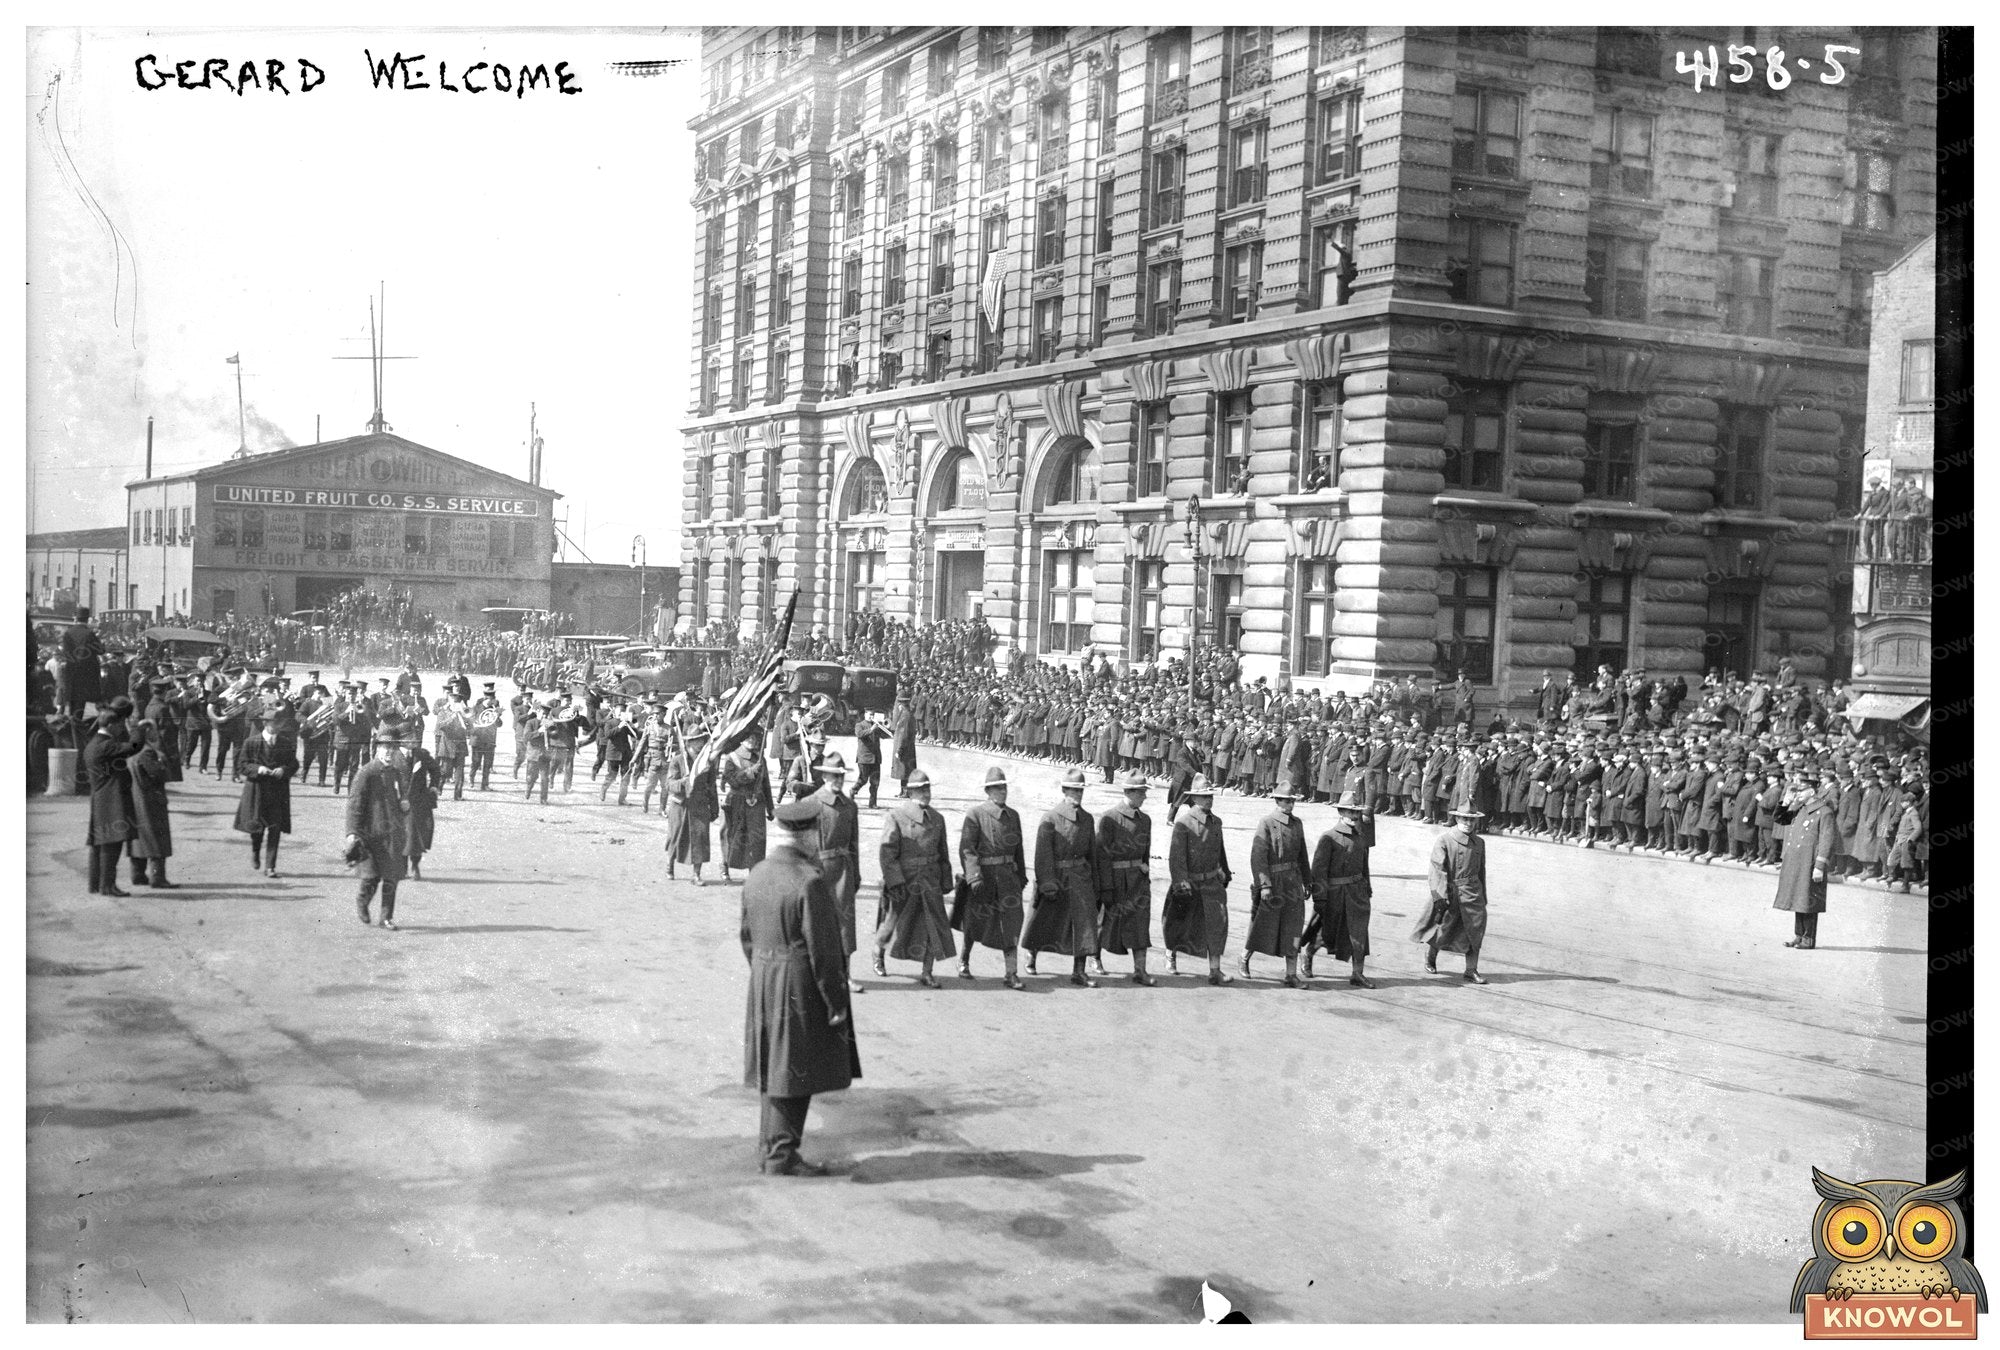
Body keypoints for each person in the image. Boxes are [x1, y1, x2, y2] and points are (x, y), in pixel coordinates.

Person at [741, 796, 860, 1176]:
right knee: (796, 1068)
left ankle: (770, 1149)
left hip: (763, 977)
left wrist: (766, 971)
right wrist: (836, 1002)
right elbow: (825, 952)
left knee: (773, 1066)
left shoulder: (757, 873)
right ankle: (782, 1156)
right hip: (798, 982)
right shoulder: (810, 881)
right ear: (808, 836)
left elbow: (746, 937)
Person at [873, 768, 956, 987]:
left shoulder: (937, 819)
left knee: (932, 926)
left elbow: (943, 853)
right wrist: (894, 880)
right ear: (910, 792)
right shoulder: (897, 816)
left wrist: (946, 880)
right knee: (892, 922)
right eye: (921, 790)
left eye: (928, 789)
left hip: (930, 879)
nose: (926, 793)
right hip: (905, 880)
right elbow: (887, 852)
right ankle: (878, 953)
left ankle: (927, 972)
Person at [1023, 766, 1100, 987]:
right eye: (1074, 790)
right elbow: (1042, 855)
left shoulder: (1087, 819)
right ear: (1064, 791)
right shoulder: (1051, 818)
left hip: (1080, 878)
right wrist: (1047, 882)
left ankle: (1079, 972)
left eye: (1081, 790)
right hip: (1056, 876)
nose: (1078, 795)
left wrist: (1095, 884)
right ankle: (1031, 953)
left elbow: (1092, 854)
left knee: (1085, 924)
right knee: (1044, 920)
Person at [953, 765, 1029, 988]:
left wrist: (1021, 876)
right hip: (984, 879)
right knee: (974, 921)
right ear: (987, 791)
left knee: (1011, 923)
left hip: (1008, 879)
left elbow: (1018, 848)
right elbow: (967, 848)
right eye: (997, 788)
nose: (1002, 791)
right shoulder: (975, 814)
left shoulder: (1013, 816)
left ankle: (1011, 973)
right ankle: (964, 960)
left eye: (1004, 787)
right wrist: (974, 876)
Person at [1165, 776, 1234, 984]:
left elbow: (1220, 851)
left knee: (1217, 924)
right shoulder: (1183, 823)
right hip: (1189, 883)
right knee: (1179, 924)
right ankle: (1170, 955)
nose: (1209, 799)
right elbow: (1176, 857)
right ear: (1194, 798)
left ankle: (1215, 970)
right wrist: (1180, 882)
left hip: (1212, 884)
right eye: (1204, 796)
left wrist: (1224, 872)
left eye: (1211, 796)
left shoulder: (1216, 822)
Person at [806, 751, 865, 993]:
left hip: (843, 871)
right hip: (818, 870)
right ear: (824, 776)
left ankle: (845, 975)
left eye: (841, 776)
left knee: (845, 925)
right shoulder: (811, 803)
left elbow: (854, 844)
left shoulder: (850, 806)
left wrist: (856, 874)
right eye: (834, 776)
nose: (839, 780)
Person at [1243, 778, 1310, 987]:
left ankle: (1291, 975)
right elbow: (1258, 857)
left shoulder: (1297, 824)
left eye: (1293, 801)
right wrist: (1264, 885)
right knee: (1263, 925)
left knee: (1294, 927)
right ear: (1277, 801)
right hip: (1273, 882)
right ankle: (1244, 958)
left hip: (1293, 882)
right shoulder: (1266, 822)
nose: (1291, 805)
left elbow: (1303, 855)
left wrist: (1307, 882)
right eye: (1286, 801)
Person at [1094, 770, 1157, 985]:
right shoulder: (1110, 818)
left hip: (1138, 880)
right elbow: (1102, 855)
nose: (1144, 797)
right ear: (1128, 792)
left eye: (1144, 792)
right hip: (1116, 879)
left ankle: (1140, 970)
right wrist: (1106, 886)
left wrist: (1145, 871)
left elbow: (1145, 851)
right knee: (1106, 920)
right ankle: (1095, 957)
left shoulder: (1145, 820)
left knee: (1141, 922)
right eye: (1141, 793)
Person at [346, 720, 411, 929]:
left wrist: (405, 804)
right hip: (370, 835)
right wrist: (352, 833)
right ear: (377, 749)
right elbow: (354, 805)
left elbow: (401, 799)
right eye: (385, 748)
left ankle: (385, 917)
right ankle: (362, 901)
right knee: (371, 877)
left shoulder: (396, 773)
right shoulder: (366, 772)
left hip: (392, 835)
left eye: (393, 748)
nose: (389, 752)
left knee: (392, 878)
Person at [1305, 793, 1374, 987]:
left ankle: (1357, 973)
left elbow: (1364, 866)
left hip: (1357, 893)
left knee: (1359, 933)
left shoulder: (1361, 839)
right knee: (1326, 933)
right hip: (1335, 894)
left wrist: (1367, 887)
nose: (1354, 816)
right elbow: (1318, 870)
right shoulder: (1329, 837)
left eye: (1356, 812)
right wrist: (1320, 897)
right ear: (1341, 812)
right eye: (1350, 812)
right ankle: (1308, 954)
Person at [1415, 806, 1490, 984]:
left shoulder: (1479, 843)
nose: (1468, 823)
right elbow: (1437, 868)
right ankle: (1431, 956)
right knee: (1443, 929)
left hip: (1472, 893)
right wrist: (1440, 896)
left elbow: (1481, 871)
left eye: (1471, 819)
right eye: (1464, 819)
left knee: (1475, 930)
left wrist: (1483, 896)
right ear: (1457, 819)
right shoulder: (1445, 840)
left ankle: (1471, 969)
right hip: (1450, 891)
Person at [1773, 771, 1837, 949]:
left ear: (1812, 791)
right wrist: (1785, 802)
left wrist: (1820, 866)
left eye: (1801, 791)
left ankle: (1808, 939)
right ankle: (1799, 936)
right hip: (1797, 862)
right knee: (1798, 898)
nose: (1798, 794)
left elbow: (1826, 841)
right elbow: (1780, 819)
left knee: (1808, 900)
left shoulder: (1824, 812)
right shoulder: (1801, 809)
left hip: (1810, 862)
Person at [83, 700, 141, 895]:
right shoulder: (106, 745)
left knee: (99, 844)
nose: (121, 728)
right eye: (119, 725)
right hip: (111, 800)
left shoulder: (93, 743)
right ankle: (108, 886)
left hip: (100, 799)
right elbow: (133, 746)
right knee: (112, 843)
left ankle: (95, 884)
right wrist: (136, 728)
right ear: (109, 725)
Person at [234, 710, 298, 878]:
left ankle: (270, 866)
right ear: (265, 723)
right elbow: (242, 765)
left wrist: (283, 770)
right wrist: (258, 769)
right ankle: (256, 851)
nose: (278, 727)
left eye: (280, 723)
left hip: (278, 792)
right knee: (257, 827)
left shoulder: (285, 742)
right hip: (257, 791)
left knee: (275, 828)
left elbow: (294, 764)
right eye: (274, 723)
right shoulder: (251, 742)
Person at [124, 718, 179, 889]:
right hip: (151, 801)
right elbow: (159, 774)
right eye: (155, 730)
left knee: (138, 839)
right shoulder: (148, 752)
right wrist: (162, 761)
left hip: (135, 800)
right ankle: (157, 877)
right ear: (148, 732)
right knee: (157, 840)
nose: (158, 733)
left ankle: (137, 874)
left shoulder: (131, 750)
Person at [719, 735, 774, 882]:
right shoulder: (732, 757)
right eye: (748, 737)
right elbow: (731, 780)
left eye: (754, 737)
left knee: (757, 839)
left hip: (757, 803)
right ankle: (725, 866)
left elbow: (766, 785)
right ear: (741, 738)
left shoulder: (760, 759)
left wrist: (770, 807)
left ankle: (754, 872)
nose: (752, 739)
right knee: (733, 836)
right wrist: (749, 772)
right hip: (737, 802)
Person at [404, 735, 441, 881]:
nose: (412, 741)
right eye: (408, 739)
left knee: (416, 835)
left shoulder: (422, 754)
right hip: (399, 801)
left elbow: (436, 769)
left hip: (419, 801)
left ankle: (415, 865)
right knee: (400, 835)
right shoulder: (392, 756)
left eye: (413, 739)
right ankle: (402, 867)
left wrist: (433, 786)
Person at [468, 681, 504, 791]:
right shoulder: (476, 708)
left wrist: (497, 716)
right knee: (476, 762)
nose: (491, 702)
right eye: (490, 700)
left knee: (487, 764)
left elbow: (499, 724)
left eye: (492, 700)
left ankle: (485, 784)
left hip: (489, 740)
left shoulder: (493, 709)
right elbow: (470, 722)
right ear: (485, 699)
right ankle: (471, 778)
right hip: (477, 739)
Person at [853, 710, 886, 808]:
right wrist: (871, 729)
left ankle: (873, 803)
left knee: (875, 782)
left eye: (872, 714)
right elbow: (859, 734)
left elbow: (886, 736)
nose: (871, 716)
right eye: (869, 714)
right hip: (864, 758)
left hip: (875, 758)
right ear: (865, 715)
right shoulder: (859, 725)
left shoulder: (876, 726)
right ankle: (853, 790)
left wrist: (883, 726)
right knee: (863, 779)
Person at [888, 692, 918, 797]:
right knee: (904, 770)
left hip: (904, 747)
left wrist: (899, 749)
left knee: (904, 769)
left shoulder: (905, 716)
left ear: (901, 704)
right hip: (907, 747)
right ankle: (903, 791)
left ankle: (906, 792)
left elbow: (903, 734)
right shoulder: (907, 714)